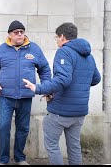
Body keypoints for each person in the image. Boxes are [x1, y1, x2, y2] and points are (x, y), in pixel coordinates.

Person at [22, 22, 101, 165]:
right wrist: (78, 86)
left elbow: (63, 80)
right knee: (74, 147)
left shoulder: (64, 51)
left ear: (63, 37)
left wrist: (38, 88)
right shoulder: (88, 55)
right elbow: (96, 79)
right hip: (79, 112)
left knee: (52, 146)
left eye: (57, 37)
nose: (57, 41)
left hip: (61, 112)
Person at [0, 20, 51, 165]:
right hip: (6, 97)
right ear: (10, 35)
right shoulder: (1, 50)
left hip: (25, 97)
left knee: (23, 128)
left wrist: (46, 87)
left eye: (22, 32)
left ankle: (20, 158)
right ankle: (3, 160)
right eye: (16, 32)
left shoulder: (34, 49)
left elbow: (45, 69)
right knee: (3, 127)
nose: (20, 35)